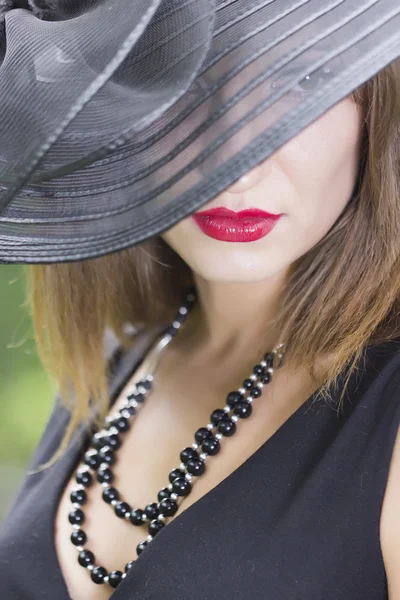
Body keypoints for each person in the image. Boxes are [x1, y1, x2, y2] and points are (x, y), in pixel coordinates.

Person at [1, 0, 400, 599]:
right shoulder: (114, 364)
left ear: (379, 110)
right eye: (184, 90)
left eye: (296, 83)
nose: (235, 171)